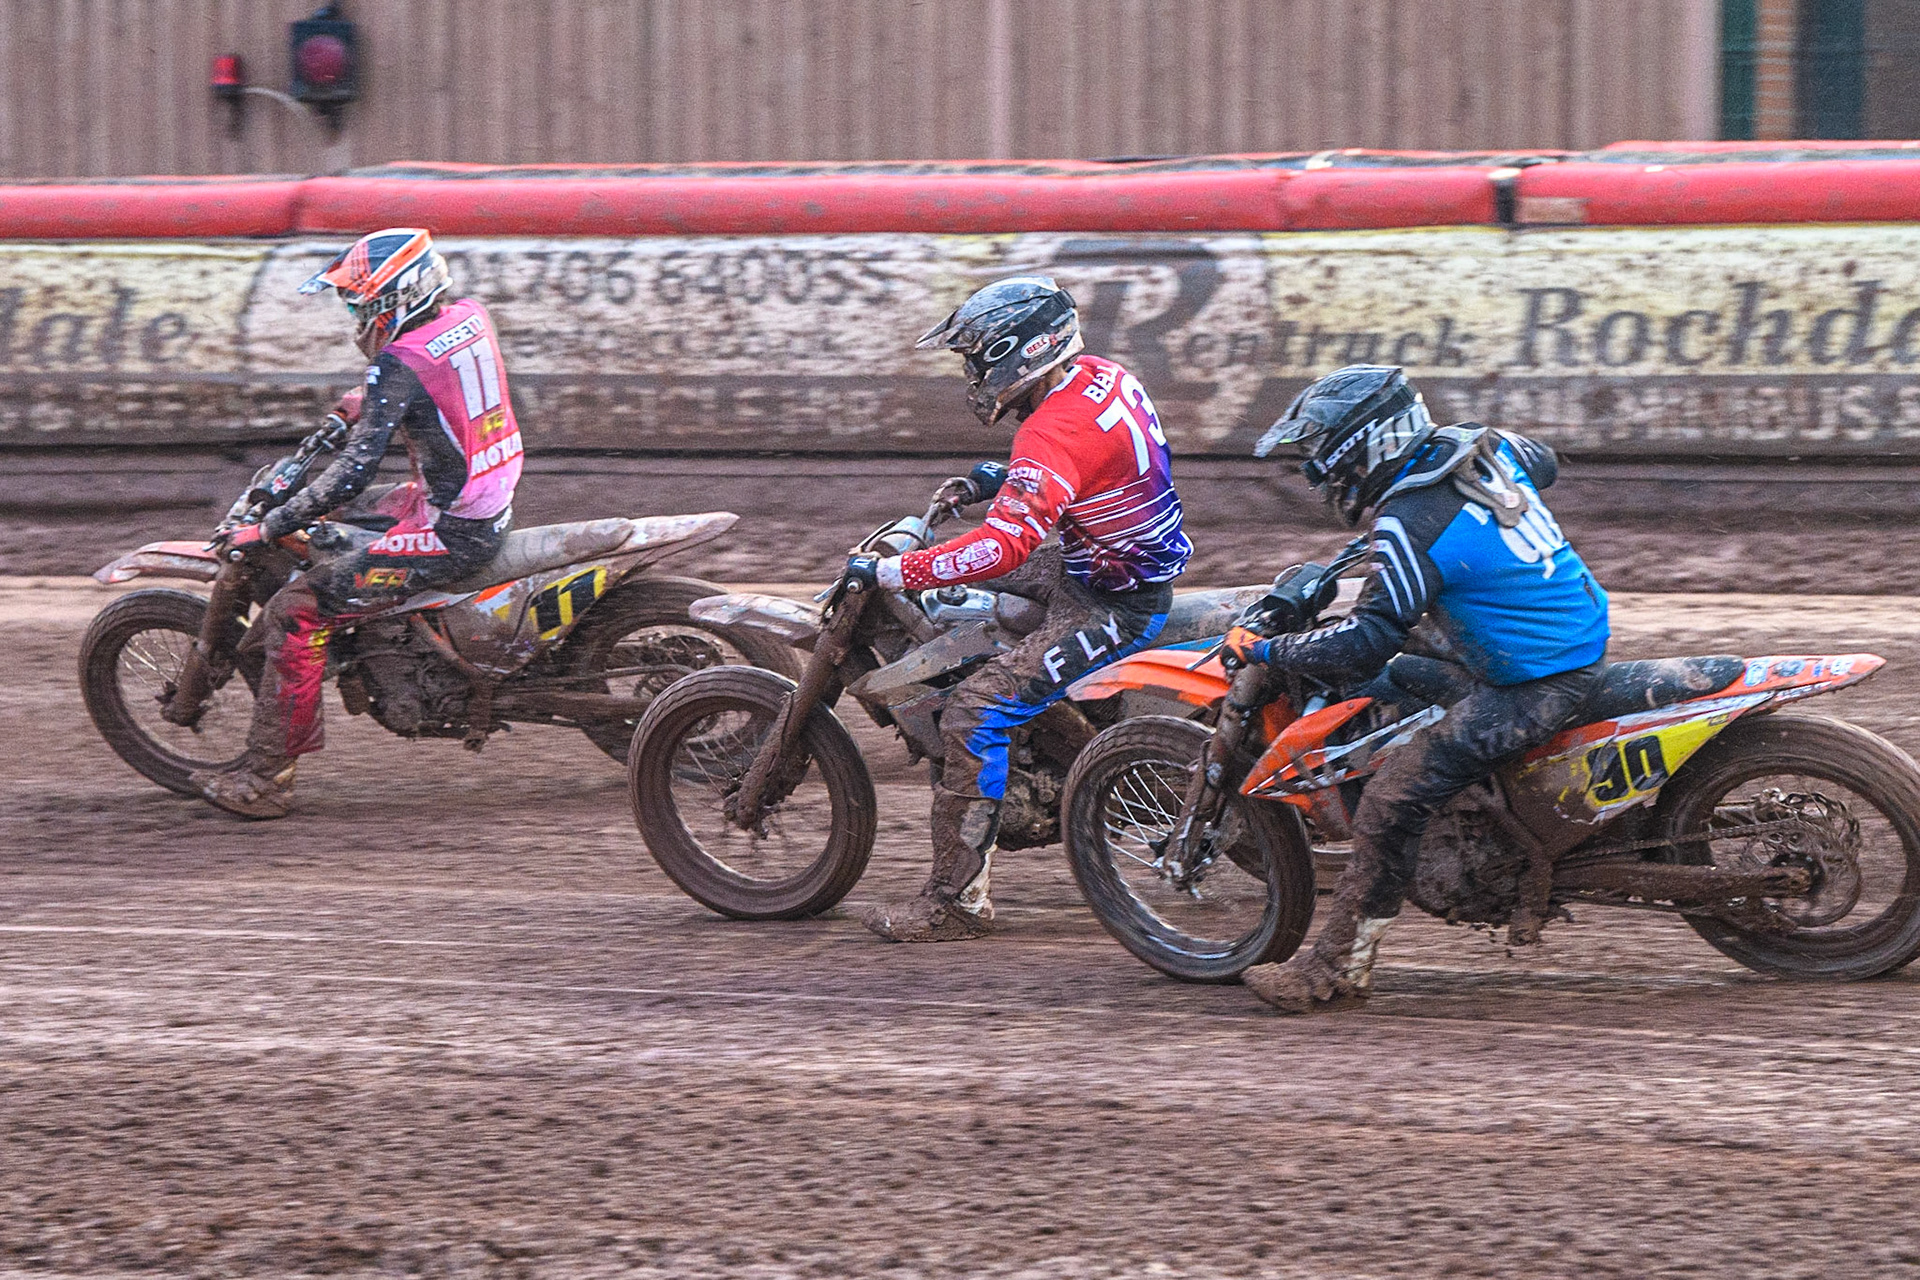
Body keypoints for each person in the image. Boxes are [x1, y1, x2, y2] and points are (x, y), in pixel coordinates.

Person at [1228, 365, 1610, 1012]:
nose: (1319, 471)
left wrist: (1263, 649)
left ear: (1363, 447)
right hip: (1570, 631)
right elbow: (1541, 464)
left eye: (1323, 454)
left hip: (1534, 682)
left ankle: (1334, 969)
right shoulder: (1479, 444)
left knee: (1389, 800)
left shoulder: (1409, 523)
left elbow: (1363, 643)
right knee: (1405, 676)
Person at [846, 276, 1193, 941]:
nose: (972, 373)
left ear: (1017, 350)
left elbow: (1006, 547)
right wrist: (995, 478)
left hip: (1111, 598)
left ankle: (955, 902)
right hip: (1104, 561)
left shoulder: (1048, 431)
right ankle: (1054, 735)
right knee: (974, 610)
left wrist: (896, 570)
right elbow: (1089, 463)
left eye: (976, 357)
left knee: (976, 710)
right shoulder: (1100, 376)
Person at [191, 228, 524, 819]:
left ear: (393, 300)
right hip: (481, 493)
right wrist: (361, 404)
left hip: (455, 526)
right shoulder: (469, 316)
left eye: (359, 303)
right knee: (332, 525)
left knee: (298, 608)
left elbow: (348, 473)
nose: (354, 315)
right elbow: (429, 379)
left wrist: (267, 528)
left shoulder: (396, 364)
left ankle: (268, 779)